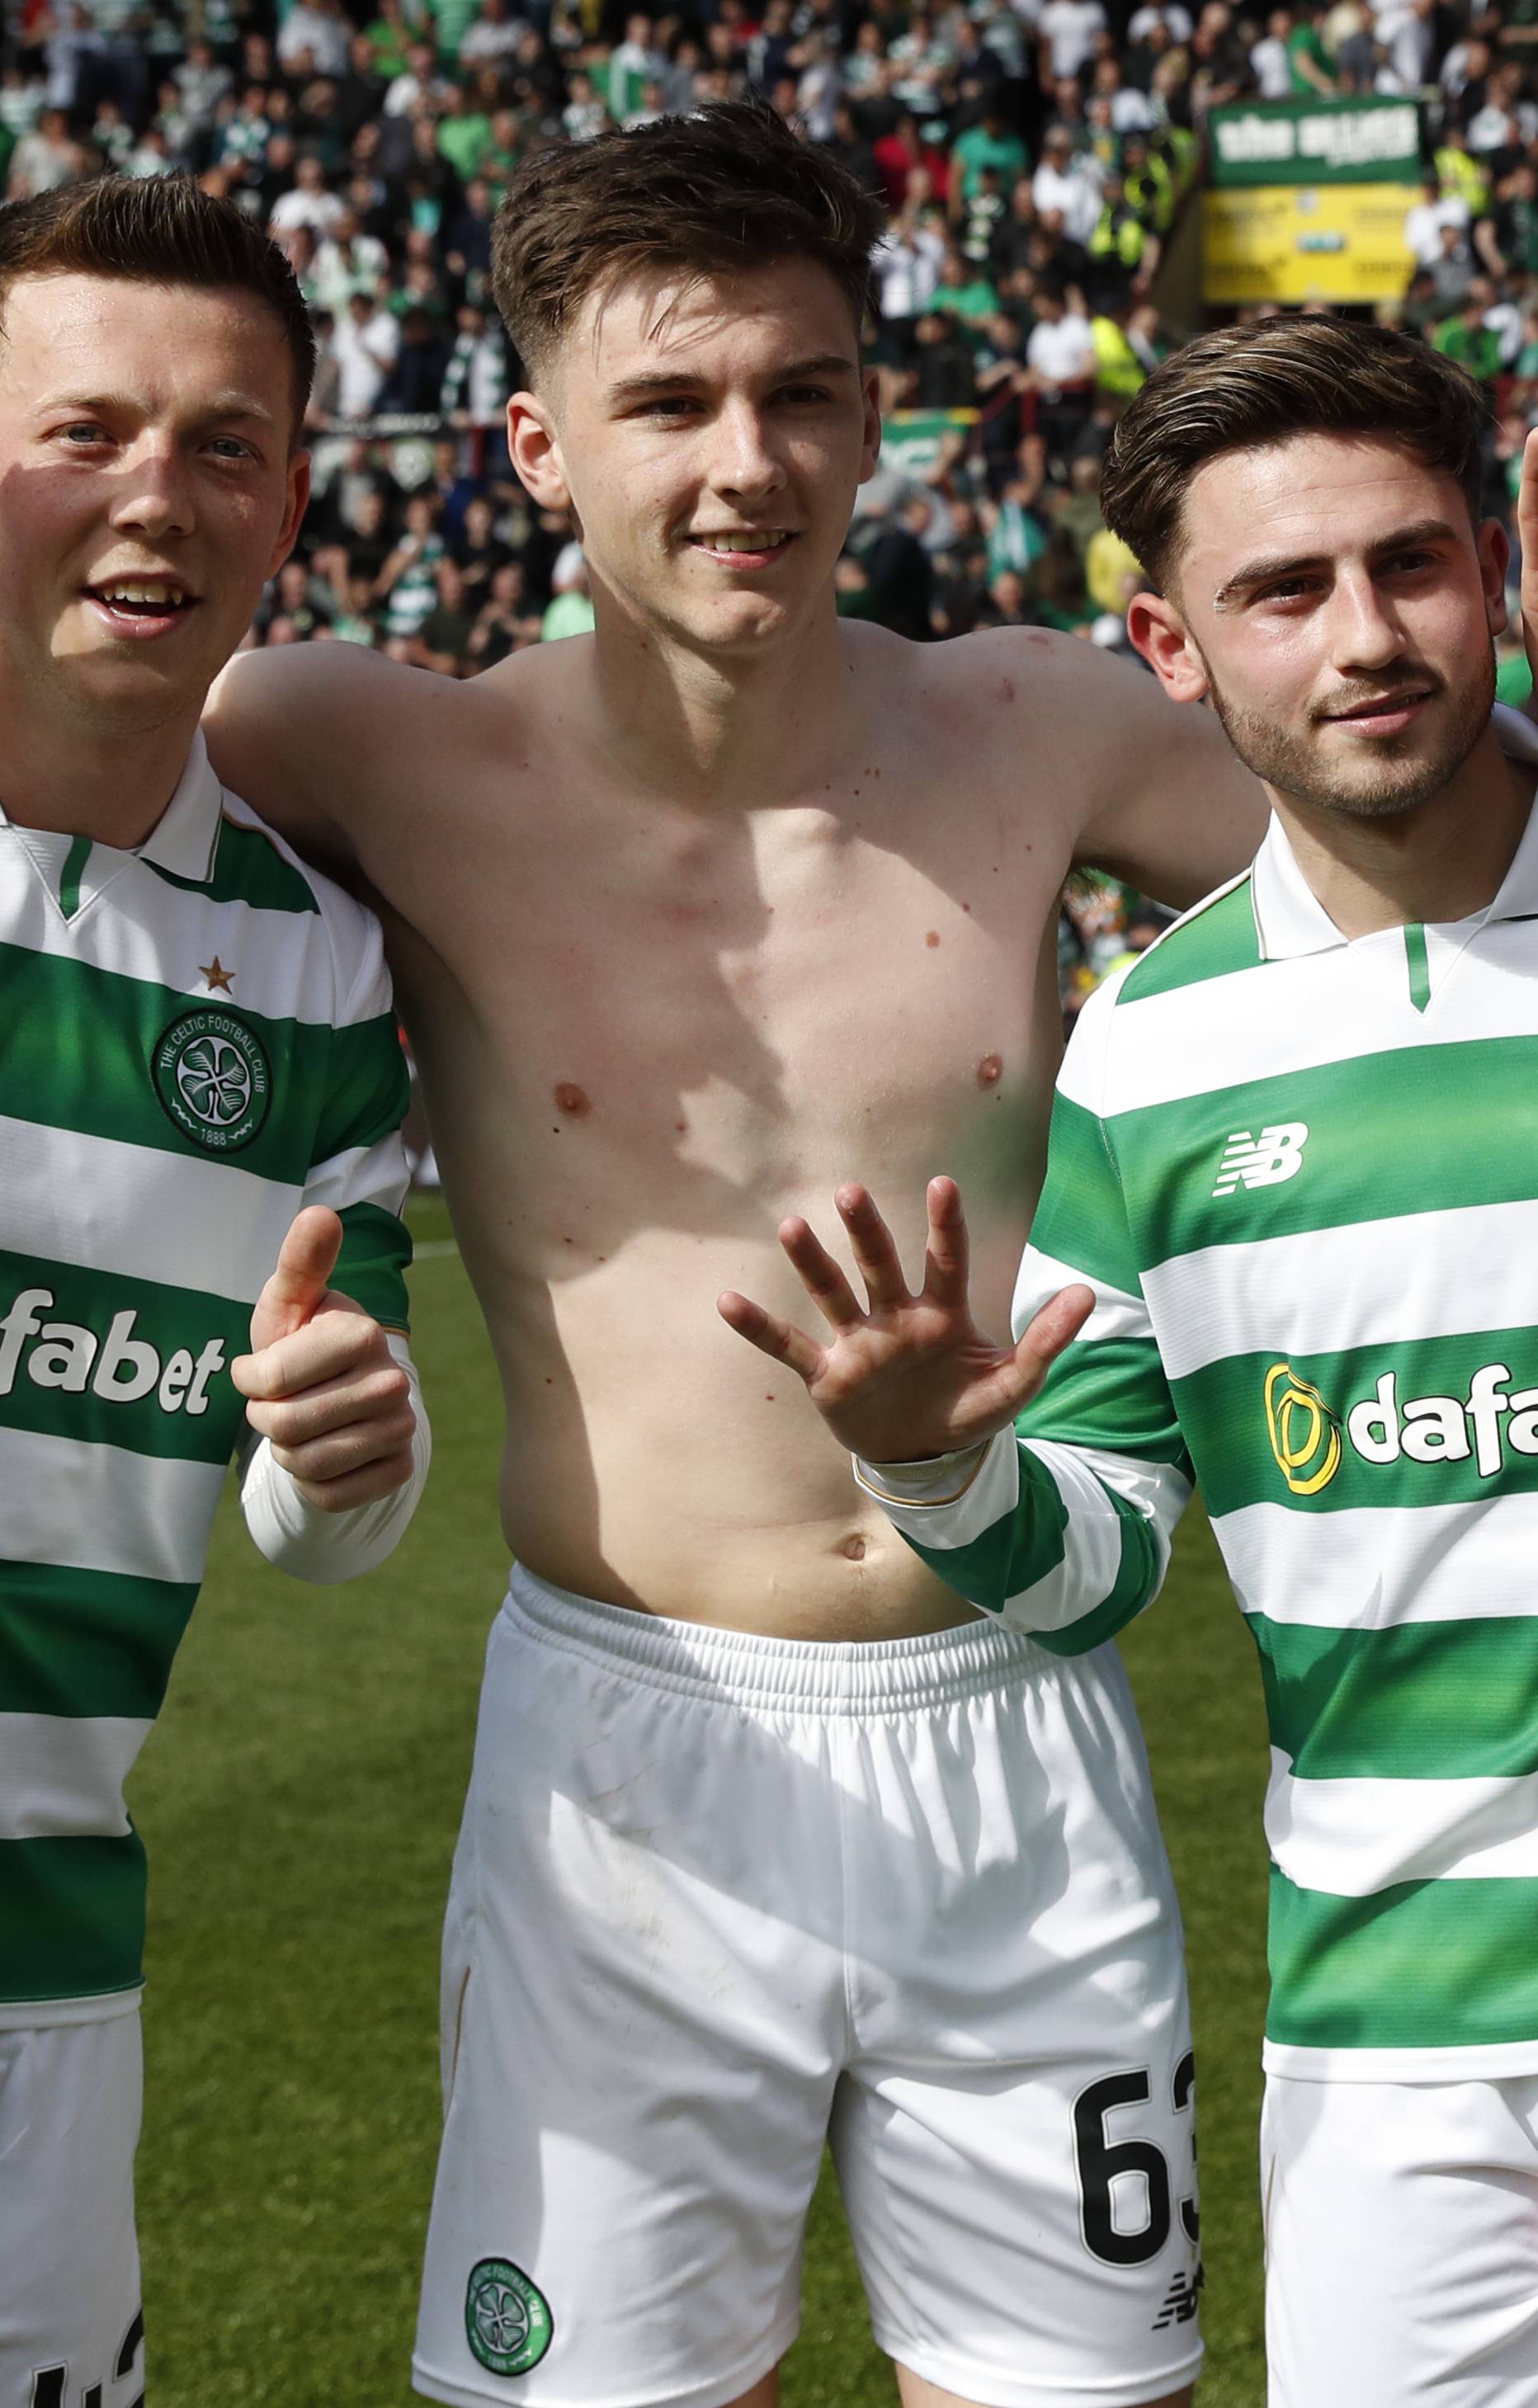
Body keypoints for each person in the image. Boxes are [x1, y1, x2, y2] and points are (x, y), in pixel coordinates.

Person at [203, 101, 1281, 2408]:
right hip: (632, 1740)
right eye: (670, 402)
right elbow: (39, 763)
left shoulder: (1043, 723)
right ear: (527, 442)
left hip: (1011, 1718)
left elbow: (1434, 859)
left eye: (801, 391)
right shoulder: (366, 755)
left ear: (876, 415)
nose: (746, 461)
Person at [723, 315, 1538, 2408]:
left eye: (1412, 562)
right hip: (1407, 2037)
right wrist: (938, 1469)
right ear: (1172, 653)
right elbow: (1101, 1564)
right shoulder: (1157, 1055)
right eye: (1282, 590)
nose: (1365, 634)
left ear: (1499, 557)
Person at [0, 178, 430, 2407]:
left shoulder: (322, 974)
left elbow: (328, 1517)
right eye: (87, 430)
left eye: (225, 444)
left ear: (293, 500)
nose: (156, 496)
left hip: (43, 1986)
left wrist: (348, 1444)